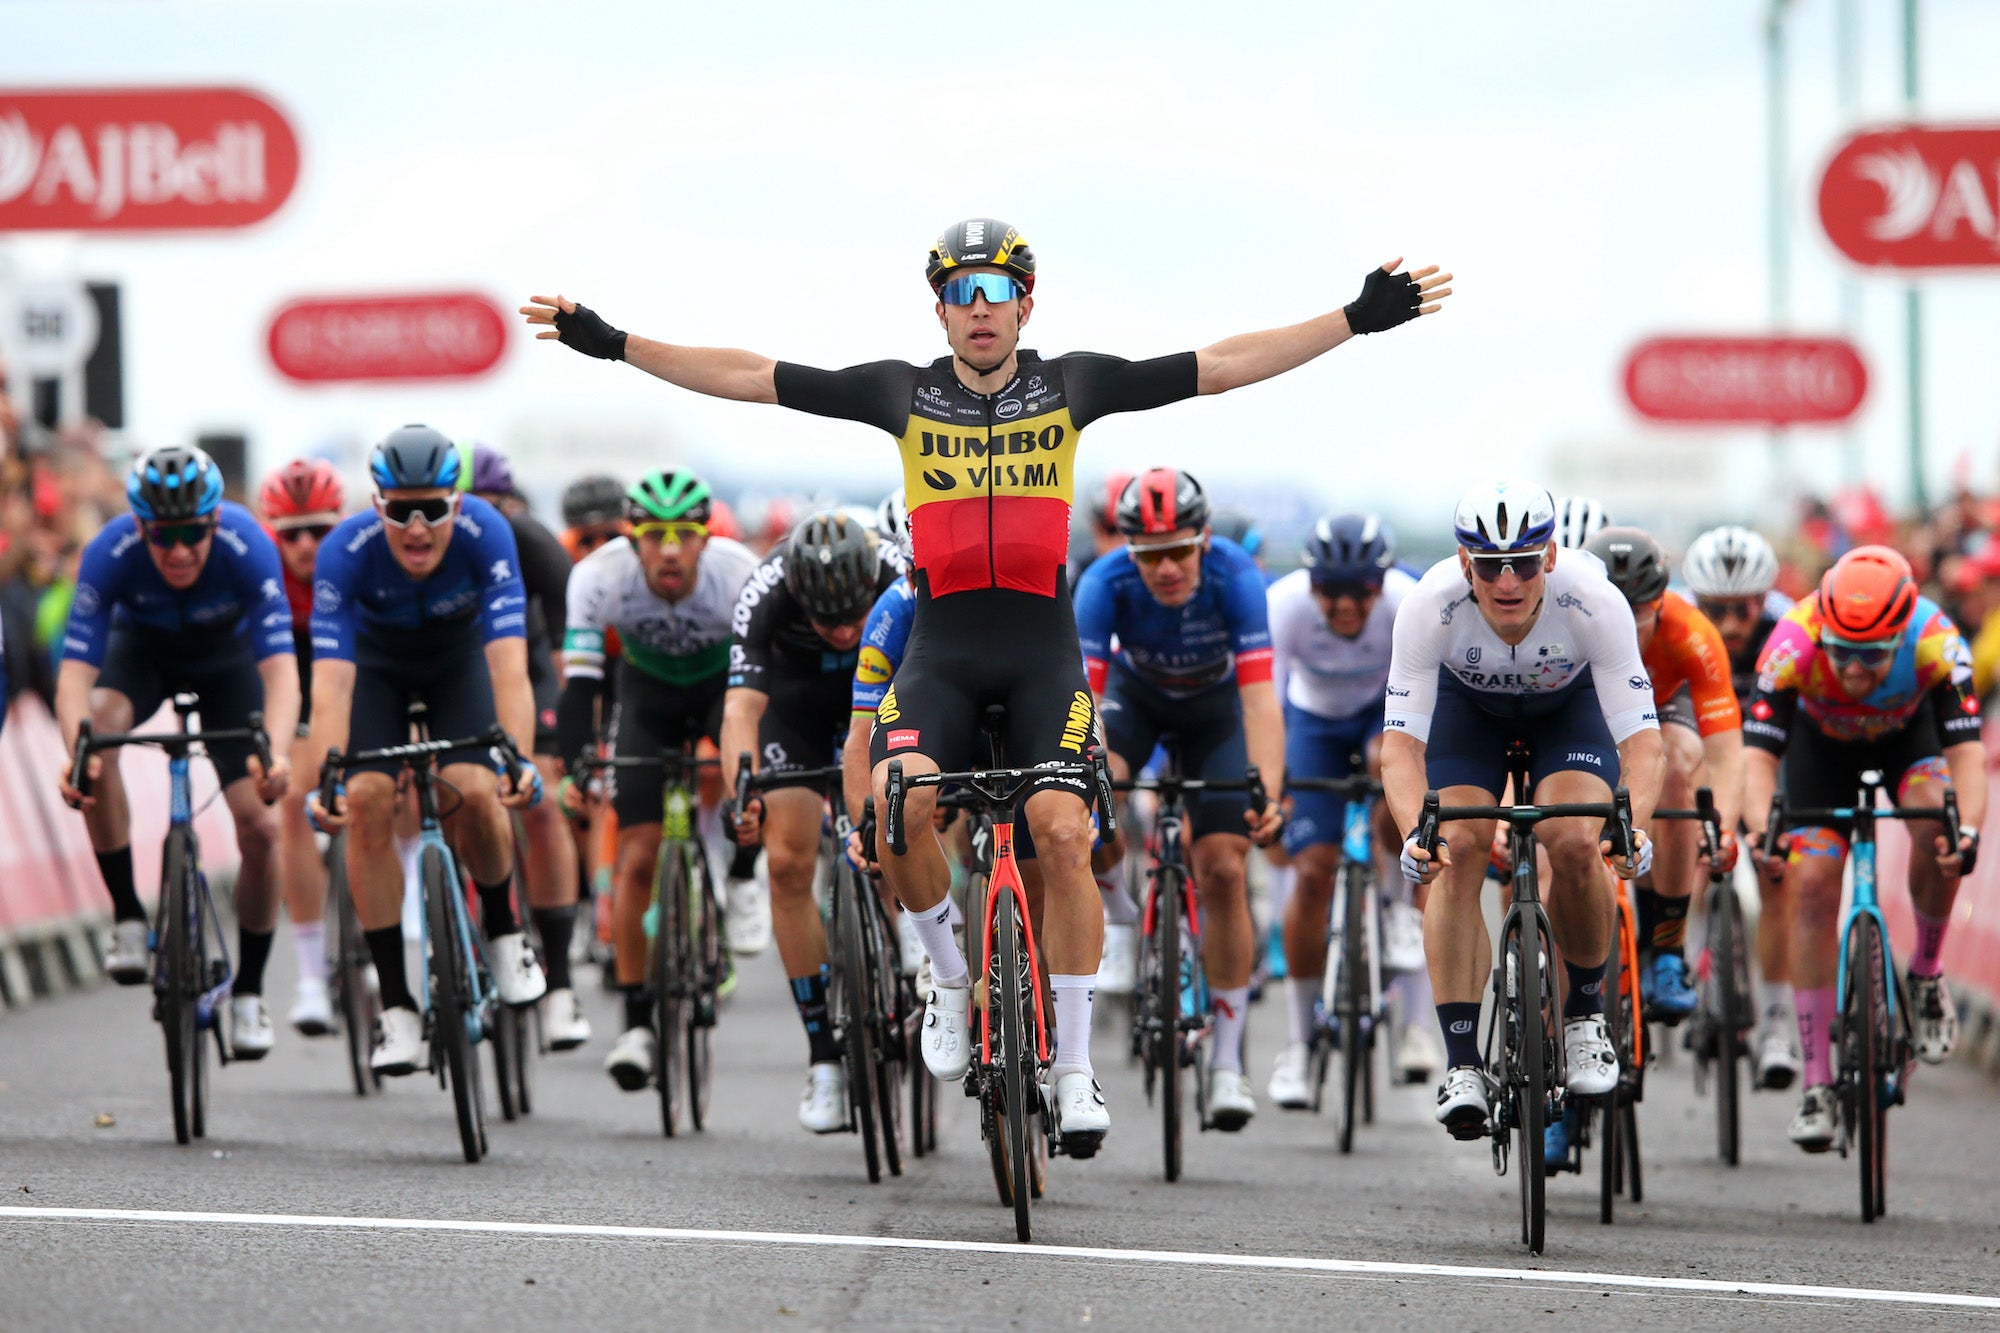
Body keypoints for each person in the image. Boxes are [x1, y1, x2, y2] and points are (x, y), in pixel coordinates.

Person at [524, 215, 1452, 1154]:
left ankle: (1078, 1067)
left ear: (1025, 304)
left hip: (1042, 649)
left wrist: (1351, 319)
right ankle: (951, 982)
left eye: (995, 292)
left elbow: (1221, 361)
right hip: (945, 648)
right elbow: (751, 376)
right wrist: (619, 346)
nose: (979, 309)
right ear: (939, 309)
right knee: (898, 804)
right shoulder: (903, 392)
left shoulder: (1073, 383)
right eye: (961, 294)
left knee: (1063, 831)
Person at [1383, 480, 1663, 1141]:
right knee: (1455, 848)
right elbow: (1398, 749)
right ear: (1463, 563)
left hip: (1566, 714)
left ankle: (1586, 1018)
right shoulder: (1429, 606)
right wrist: (1412, 835)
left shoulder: (1595, 601)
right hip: (1468, 714)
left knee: (1574, 840)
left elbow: (1644, 743)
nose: (1507, 582)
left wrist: (1635, 826)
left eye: (1524, 563)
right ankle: (1462, 1063)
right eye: (1488, 566)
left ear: (1552, 556)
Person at [302, 425, 546, 1076]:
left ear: (457, 504)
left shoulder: (488, 534)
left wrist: (515, 757)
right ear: (375, 503)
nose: (416, 527)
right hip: (377, 672)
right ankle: (397, 1007)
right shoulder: (343, 552)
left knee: (475, 785)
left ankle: (503, 932)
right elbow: (331, 682)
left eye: (432, 508)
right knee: (367, 797)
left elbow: (509, 668)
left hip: (458, 664)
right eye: (399, 509)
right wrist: (328, 771)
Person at [55, 445, 298, 1057]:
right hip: (142, 655)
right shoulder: (110, 552)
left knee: (263, 828)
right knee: (99, 733)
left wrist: (276, 755)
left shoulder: (249, 545)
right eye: (165, 536)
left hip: (228, 667)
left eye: (195, 533)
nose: (182, 549)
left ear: (215, 520)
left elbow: (280, 672)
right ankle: (129, 918)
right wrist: (75, 752)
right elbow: (74, 679)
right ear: (140, 527)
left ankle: (249, 992)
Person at [1740, 546, 1984, 1152]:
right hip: (1819, 750)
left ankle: (1926, 973)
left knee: (1938, 825)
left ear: (1900, 637)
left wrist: (1969, 830)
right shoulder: (1793, 640)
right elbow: (1757, 759)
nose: (1853, 669)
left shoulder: (1937, 638)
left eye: (1872, 655)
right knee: (1814, 884)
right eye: (1842, 652)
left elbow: (1969, 756)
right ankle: (1818, 1083)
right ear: (1823, 632)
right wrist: (1758, 831)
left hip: (1908, 737)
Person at [1074, 468, 1286, 1130]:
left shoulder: (1235, 578)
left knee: (1222, 864)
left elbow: (1259, 699)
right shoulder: (1102, 584)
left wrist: (1268, 791)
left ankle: (1226, 1060)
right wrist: (1093, 787)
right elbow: (1083, 705)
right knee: (1089, 792)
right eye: (1148, 556)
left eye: (1178, 551)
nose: (1165, 569)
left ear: (1202, 540)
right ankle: (1118, 913)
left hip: (1216, 712)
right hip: (1133, 702)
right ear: (1127, 549)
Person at [556, 467, 757, 1093]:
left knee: (747, 785)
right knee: (637, 854)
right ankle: (637, 1022)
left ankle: (742, 872)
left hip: (721, 689)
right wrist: (577, 761)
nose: (669, 549)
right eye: (654, 536)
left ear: (704, 537)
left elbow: (760, 687)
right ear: (631, 537)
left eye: (684, 535)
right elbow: (582, 684)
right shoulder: (597, 576)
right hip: (644, 698)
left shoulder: (739, 572)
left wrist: (753, 774)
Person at [724, 510, 902, 1131]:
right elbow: (741, 708)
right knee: (788, 862)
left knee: (898, 819)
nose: (845, 629)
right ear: (799, 594)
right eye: (828, 620)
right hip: (795, 706)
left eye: (855, 614)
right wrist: (742, 792)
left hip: (883, 695)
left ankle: (913, 934)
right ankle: (824, 1056)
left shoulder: (897, 573)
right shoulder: (765, 586)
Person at [1262, 513, 1431, 1109]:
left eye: (1359, 590)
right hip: (1312, 721)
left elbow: (1426, 700)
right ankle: (1300, 1045)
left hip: (1388, 715)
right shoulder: (1282, 607)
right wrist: (1274, 784)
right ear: (1310, 586)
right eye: (1330, 591)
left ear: (1379, 585)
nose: (1344, 605)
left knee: (1407, 805)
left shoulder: (1407, 604)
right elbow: (1269, 702)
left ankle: (1414, 1020)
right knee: (1312, 872)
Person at [1584, 527, 1745, 1021]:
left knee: (1676, 766)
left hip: (1659, 706)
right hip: (1584, 712)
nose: (1624, 628)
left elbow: (1725, 751)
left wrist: (1724, 826)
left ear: (1659, 603)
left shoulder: (1691, 632)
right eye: (1612, 612)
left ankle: (1669, 949)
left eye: (1636, 614)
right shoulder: (1563, 624)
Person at [460, 443, 590, 1050]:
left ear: (508, 504)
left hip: (526, 669)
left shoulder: (530, 542)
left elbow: (571, 649)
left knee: (539, 801)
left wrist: (571, 729)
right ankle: (446, 941)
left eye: (487, 507)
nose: (473, 521)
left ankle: (560, 984)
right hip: (450, 674)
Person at [1681, 523, 1801, 1087]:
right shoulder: (1677, 627)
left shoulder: (1792, 630)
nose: (1729, 625)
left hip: (1770, 753)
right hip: (1708, 746)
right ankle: (1688, 958)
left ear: (1765, 600)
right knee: (1700, 838)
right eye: (1715, 610)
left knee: (1779, 869)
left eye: (1743, 610)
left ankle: (1777, 1021)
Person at [255, 458, 346, 1036]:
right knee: (291, 798)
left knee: (377, 782)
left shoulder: (363, 555)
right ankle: (311, 978)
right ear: (272, 533)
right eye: (292, 534)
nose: (307, 545)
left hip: (353, 663)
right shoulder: (260, 565)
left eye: (321, 530)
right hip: (287, 666)